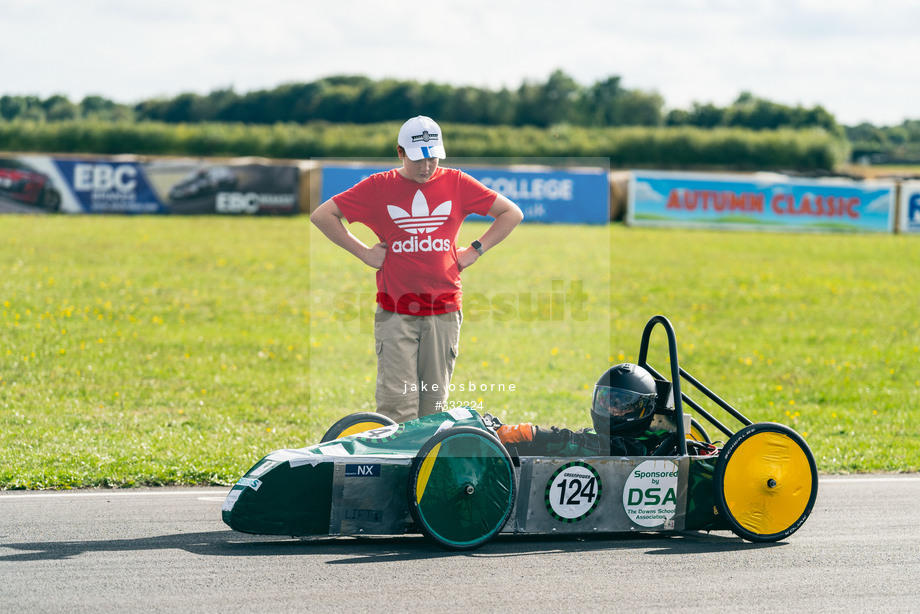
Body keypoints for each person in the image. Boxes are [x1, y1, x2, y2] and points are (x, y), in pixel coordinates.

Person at [310, 116, 523, 423]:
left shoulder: (457, 183)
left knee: (432, 410)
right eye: (417, 159)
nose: (426, 167)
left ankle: (422, 471)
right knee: (398, 406)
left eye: (432, 158)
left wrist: (475, 250)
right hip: (396, 313)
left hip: (444, 312)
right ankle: (396, 467)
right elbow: (323, 215)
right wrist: (364, 253)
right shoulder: (378, 187)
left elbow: (510, 213)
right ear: (400, 152)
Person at [486, 363, 715, 457]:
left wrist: (534, 433)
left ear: (642, 409)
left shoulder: (634, 446)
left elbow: (581, 443)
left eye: (621, 404)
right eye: (607, 400)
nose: (612, 410)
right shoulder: (606, 437)